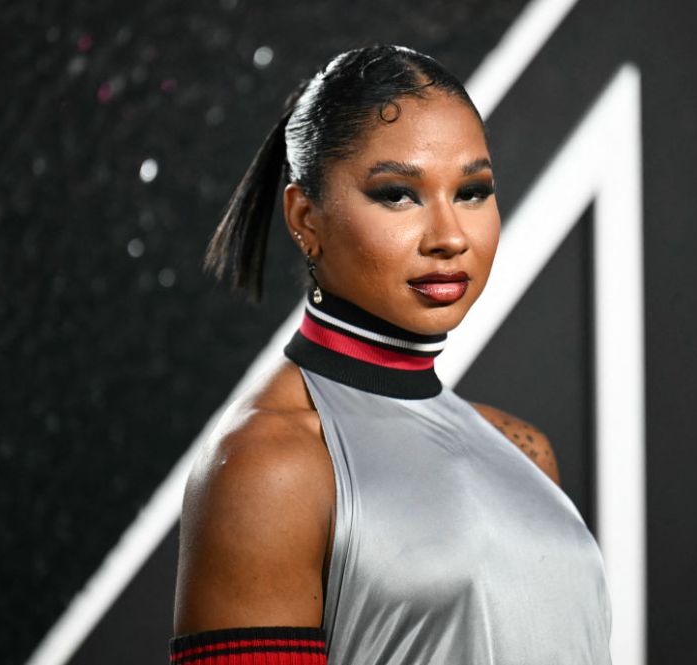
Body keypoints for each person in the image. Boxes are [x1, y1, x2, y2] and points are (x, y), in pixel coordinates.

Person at [170, 44, 612, 665]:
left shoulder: (526, 452)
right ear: (305, 217)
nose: (450, 236)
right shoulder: (266, 465)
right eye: (399, 195)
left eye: (472, 191)